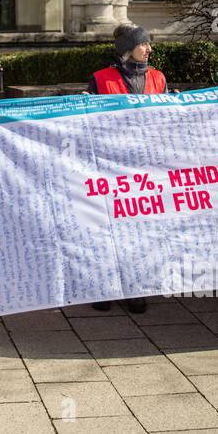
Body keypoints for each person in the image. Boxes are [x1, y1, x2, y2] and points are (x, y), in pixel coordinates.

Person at [86, 24, 167, 314]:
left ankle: (135, 285)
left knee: (139, 227)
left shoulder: (158, 77)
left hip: (145, 165)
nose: (149, 49)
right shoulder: (100, 79)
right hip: (110, 165)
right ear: (127, 48)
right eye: (143, 44)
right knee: (107, 226)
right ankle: (104, 285)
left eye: (148, 44)